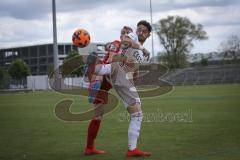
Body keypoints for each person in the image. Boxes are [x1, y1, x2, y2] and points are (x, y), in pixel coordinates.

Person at [85, 20, 152, 157]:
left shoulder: (139, 51)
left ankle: (89, 148)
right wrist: (140, 47)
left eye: (143, 31)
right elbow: (124, 43)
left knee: (97, 116)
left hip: (112, 73)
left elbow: (133, 66)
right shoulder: (132, 39)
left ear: (149, 35)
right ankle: (132, 149)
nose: (140, 32)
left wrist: (135, 78)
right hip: (118, 76)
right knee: (137, 114)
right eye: (138, 29)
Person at [84, 26, 133, 155]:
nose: (124, 35)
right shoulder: (117, 44)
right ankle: (94, 78)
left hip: (106, 85)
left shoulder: (130, 51)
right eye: (122, 33)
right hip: (107, 74)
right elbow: (111, 55)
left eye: (127, 34)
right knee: (107, 71)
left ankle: (89, 148)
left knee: (97, 117)